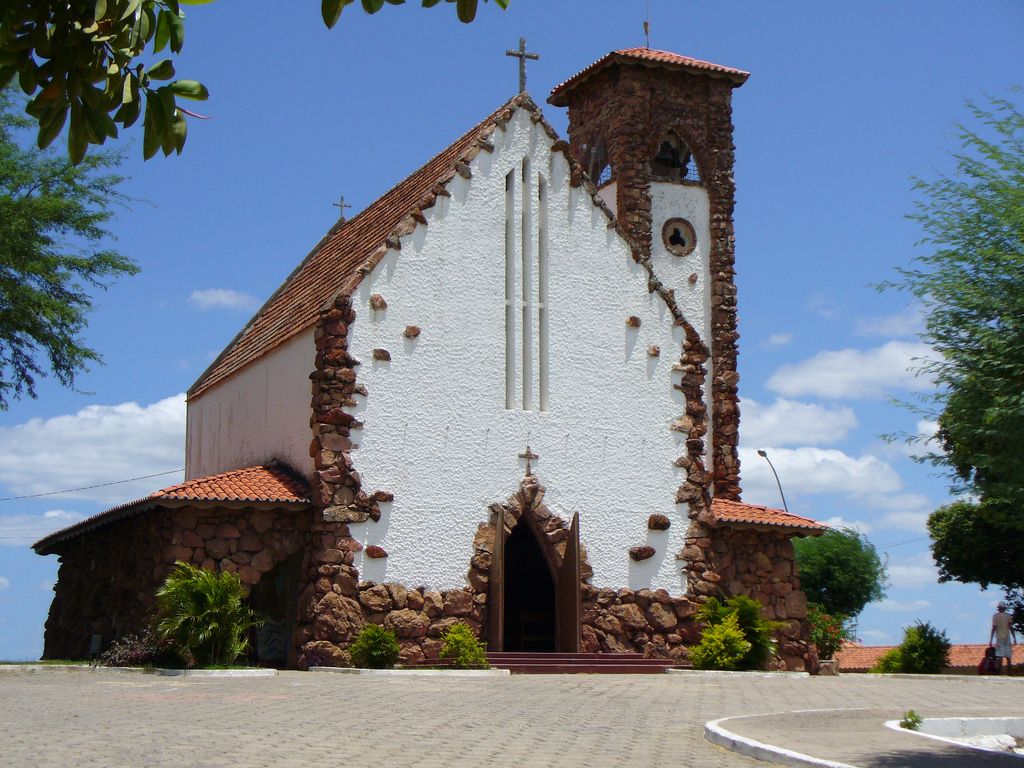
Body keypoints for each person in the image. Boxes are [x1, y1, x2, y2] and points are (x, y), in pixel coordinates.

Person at [989, 603, 1018, 673]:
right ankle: (1010, 672)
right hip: (1007, 637)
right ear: (1005, 608)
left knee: (1000, 656)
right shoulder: (1008, 616)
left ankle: (1000, 672)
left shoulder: (995, 616)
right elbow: (1011, 627)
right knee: (1008, 656)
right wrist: (1014, 638)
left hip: (999, 637)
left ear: (998, 608)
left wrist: (991, 639)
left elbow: (994, 628)